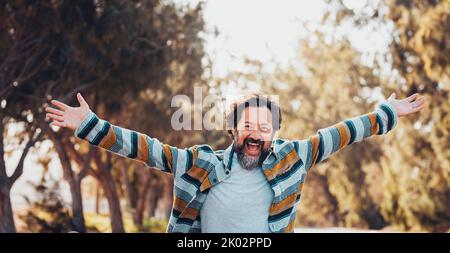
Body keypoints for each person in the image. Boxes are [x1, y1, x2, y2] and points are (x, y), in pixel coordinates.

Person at [45, 92, 426, 233]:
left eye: (264, 126)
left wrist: (386, 113)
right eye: (248, 125)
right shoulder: (200, 163)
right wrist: (91, 126)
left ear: (275, 133)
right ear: (232, 130)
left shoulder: (295, 158)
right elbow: (145, 148)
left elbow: (342, 132)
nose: (256, 133)